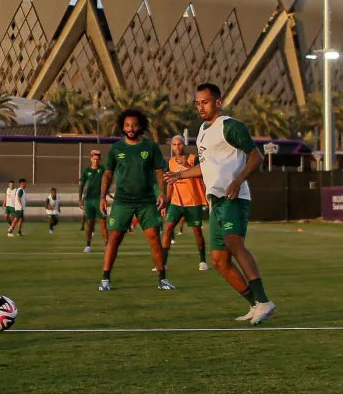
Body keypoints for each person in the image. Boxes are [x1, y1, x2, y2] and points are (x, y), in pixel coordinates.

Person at [166, 83, 275, 325]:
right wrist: (180, 175)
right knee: (219, 261)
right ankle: (254, 305)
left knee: (235, 245)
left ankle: (265, 301)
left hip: (233, 198)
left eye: (205, 102)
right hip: (215, 200)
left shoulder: (230, 125)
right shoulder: (203, 130)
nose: (200, 107)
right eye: (197, 103)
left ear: (218, 102)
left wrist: (237, 181)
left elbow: (255, 156)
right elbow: (206, 166)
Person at [99, 109, 173, 291]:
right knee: (114, 239)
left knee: (154, 239)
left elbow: (159, 171)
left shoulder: (150, 147)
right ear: (122, 127)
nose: (130, 128)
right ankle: (105, 279)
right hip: (122, 200)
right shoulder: (116, 148)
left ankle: (162, 279)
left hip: (146, 201)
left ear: (140, 126)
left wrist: (162, 194)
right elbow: (108, 174)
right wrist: (102, 196)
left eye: (134, 125)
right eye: (127, 125)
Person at [162, 135, 210, 271]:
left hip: (193, 201)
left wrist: (186, 165)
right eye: (174, 145)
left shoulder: (193, 158)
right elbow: (170, 183)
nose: (177, 147)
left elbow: (202, 175)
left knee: (197, 232)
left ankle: (202, 261)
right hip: (176, 202)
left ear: (184, 145)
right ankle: (162, 263)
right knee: (168, 229)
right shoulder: (170, 162)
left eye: (179, 144)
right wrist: (167, 201)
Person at [78, 149, 107, 252]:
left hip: (99, 200)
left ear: (100, 160)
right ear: (91, 159)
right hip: (89, 200)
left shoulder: (103, 169)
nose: (96, 161)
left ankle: (106, 244)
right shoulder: (86, 171)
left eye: (98, 159)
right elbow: (81, 185)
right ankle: (88, 245)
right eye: (94, 159)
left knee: (103, 222)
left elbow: (109, 175)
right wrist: (80, 199)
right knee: (90, 223)